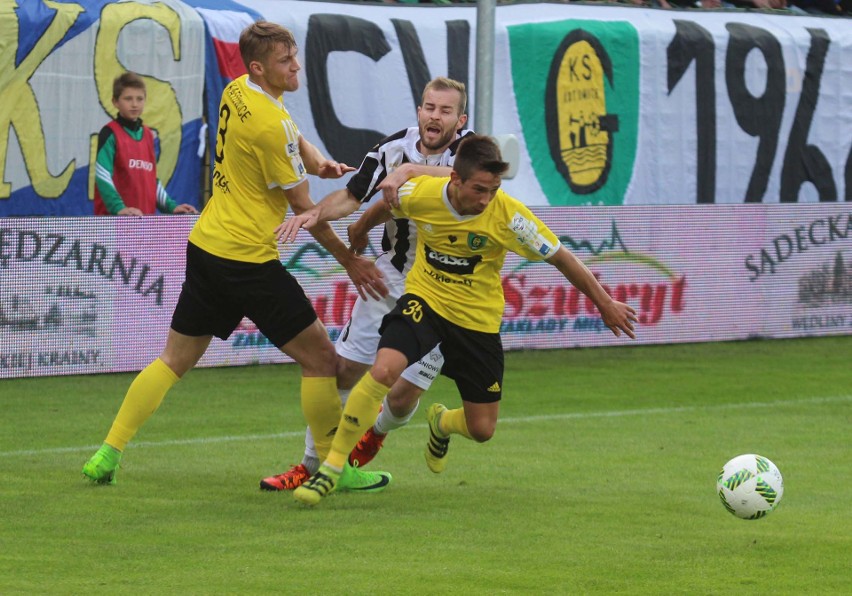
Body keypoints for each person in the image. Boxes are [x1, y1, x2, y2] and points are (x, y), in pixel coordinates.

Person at [82, 21, 391, 493]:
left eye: (294, 55)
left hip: (207, 246)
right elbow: (305, 208)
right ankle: (335, 467)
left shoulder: (238, 89)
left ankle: (109, 451)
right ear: (258, 67)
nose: (296, 66)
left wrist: (317, 160)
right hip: (248, 260)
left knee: (172, 360)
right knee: (322, 361)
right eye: (286, 60)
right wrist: (350, 261)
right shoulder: (269, 126)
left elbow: (292, 133)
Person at [288, 135, 639, 506]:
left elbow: (562, 257)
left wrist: (604, 302)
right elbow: (389, 205)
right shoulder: (424, 193)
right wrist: (360, 229)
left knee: (483, 429)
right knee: (382, 372)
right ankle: (331, 469)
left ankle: (441, 423)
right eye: (479, 190)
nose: (486, 199)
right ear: (454, 180)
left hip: (476, 321)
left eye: (494, 190)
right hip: (425, 301)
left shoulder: (510, 217)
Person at [260, 77, 474, 491]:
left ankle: (373, 435)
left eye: (446, 111)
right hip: (391, 277)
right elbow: (352, 194)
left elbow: (466, 180)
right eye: (430, 107)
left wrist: (406, 176)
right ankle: (310, 463)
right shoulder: (391, 149)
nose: (435, 117)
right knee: (344, 370)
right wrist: (315, 215)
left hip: (449, 288)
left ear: (459, 119)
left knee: (401, 396)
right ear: (419, 111)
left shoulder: (471, 152)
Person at [93, 72, 198, 216]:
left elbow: (151, 180)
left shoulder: (148, 135)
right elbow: (102, 176)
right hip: (114, 224)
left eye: (139, 99)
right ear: (115, 102)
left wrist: (171, 207)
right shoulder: (109, 133)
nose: (134, 104)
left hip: (144, 225)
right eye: (128, 99)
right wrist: (119, 209)